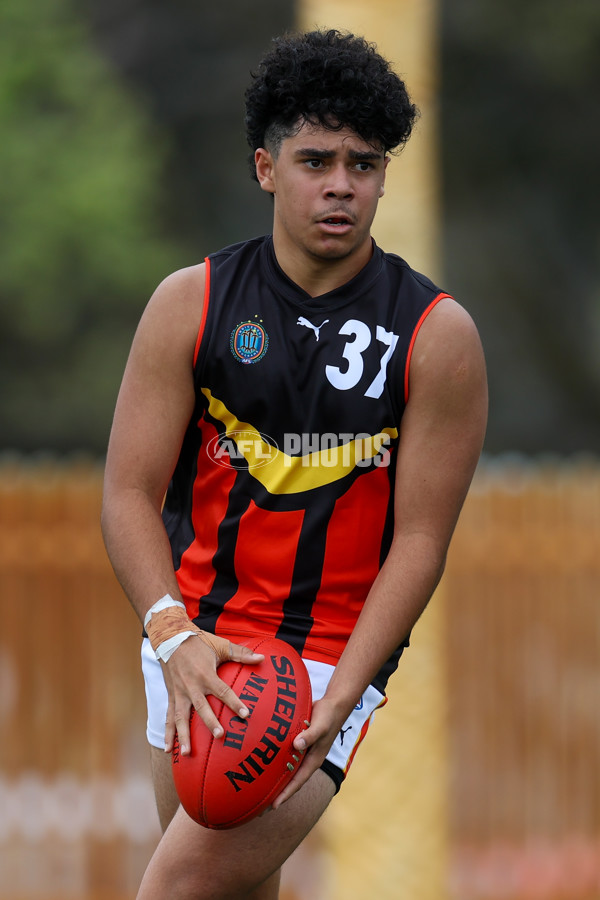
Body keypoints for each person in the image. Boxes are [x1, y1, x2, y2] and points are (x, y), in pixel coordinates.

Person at [101, 27, 487, 900]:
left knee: (175, 888)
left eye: (364, 162)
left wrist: (344, 695)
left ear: (385, 174)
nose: (342, 184)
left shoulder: (438, 336)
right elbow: (126, 493)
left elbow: (422, 540)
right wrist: (174, 636)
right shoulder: (189, 304)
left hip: (322, 662)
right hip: (196, 640)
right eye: (317, 159)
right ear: (267, 167)